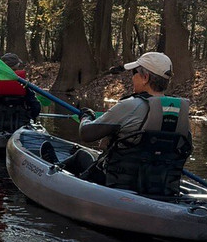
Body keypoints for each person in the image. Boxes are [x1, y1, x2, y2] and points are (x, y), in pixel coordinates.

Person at [66, 51, 192, 196]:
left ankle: (52, 170)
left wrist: (86, 116)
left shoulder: (130, 105)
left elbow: (86, 134)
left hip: (117, 183)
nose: (132, 78)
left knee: (81, 156)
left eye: (134, 73)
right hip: (160, 186)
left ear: (145, 78)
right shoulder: (179, 113)